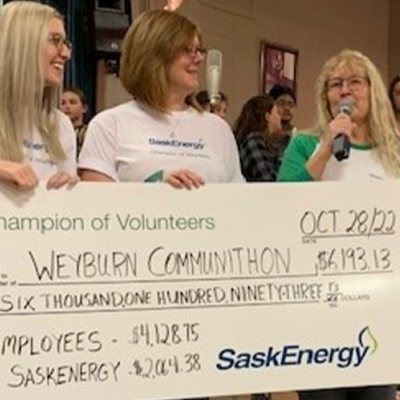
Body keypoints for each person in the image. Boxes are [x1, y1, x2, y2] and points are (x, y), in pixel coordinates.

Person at [278, 49, 400, 399]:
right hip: (319, 313)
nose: (345, 91)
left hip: (379, 309)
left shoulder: (394, 151)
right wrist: (326, 149)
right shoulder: (304, 145)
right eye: (336, 84)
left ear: (372, 90)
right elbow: (281, 211)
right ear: (325, 96)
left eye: (355, 82)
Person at [79, 10, 243, 188]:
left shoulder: (218, 129)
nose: (199, 59)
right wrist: (155, 188)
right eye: (189, 50)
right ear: (154, 56)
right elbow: (98, 208)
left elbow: (239, 204)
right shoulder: (109, 125)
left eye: (199, 50)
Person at [0, 1, 77, 191]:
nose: (66, 54)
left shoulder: (61, 125)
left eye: (66, 43)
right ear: (21, 43)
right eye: (55, 40)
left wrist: (69, 188)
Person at [234, 94, 285, 182]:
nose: (280, 117)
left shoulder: (263, 142)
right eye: (277, 113)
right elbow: (266, 180)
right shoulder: (254, 141)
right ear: (267, 116)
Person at [61, 87, 89, 157]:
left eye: (72, 102)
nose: (67, 106)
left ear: (84, 108)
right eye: (63, 103)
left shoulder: (89, 132)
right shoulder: (54, 132)